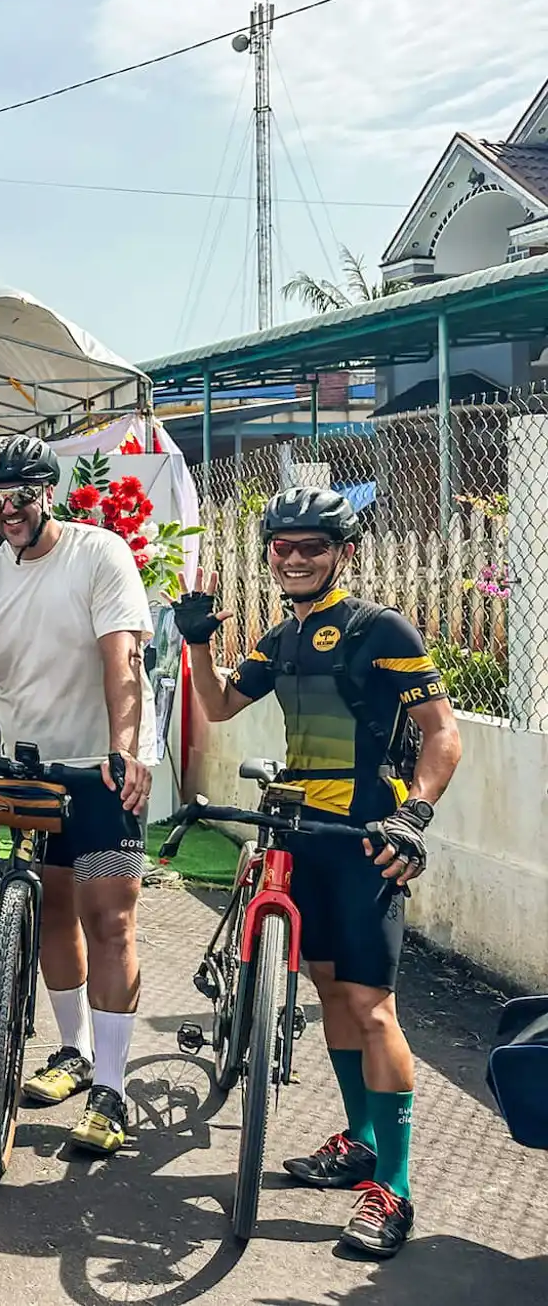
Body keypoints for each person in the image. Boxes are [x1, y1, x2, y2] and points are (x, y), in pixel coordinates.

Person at [177, 486, 461, 1259]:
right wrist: (197, 644)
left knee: (371, 1007)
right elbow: (220, 706)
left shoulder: (381, 630)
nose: (296, 558)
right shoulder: (281, 637)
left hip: (367, 836)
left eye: (314, 546)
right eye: (283, 546)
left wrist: (415, 813)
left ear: (344, 552)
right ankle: (360, 1141)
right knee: (330, 989)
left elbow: (442, 733)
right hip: (300, 831)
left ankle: (393, 1188)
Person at [0, 435, 154, 1158]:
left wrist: (124, 750)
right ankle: (74, 1051)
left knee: (109, 920)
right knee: (52, 909)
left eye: (22, 495)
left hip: (100, 767)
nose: (9, 511)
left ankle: (112, 1090)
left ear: (48, 493)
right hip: (28, 766)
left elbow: (122, 660)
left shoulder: (98, 553)